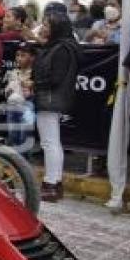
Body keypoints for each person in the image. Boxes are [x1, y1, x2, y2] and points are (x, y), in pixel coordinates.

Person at [33, 13, 80, 202]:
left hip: (50, 99)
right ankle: (54, 182)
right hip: (52, 99)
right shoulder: (61, 46)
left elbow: (55, 78)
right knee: (52, 142)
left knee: (49, 143)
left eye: (46, 24)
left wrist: (34, 83)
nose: (43, 28)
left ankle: (51, 183)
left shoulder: (61, 49)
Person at [4, 43, 36, 148]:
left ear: (32, 57)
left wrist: (29, 88)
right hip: (12, 106)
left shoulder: (35, 74)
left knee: (24, 137)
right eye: (17, 55)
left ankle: (23, 161)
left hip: (27, 106)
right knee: (13, 135)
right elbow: (7, 90)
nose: (19, 58)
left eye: (23, 55)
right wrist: (8, 91)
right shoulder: (13, 72)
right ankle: (13, 162)